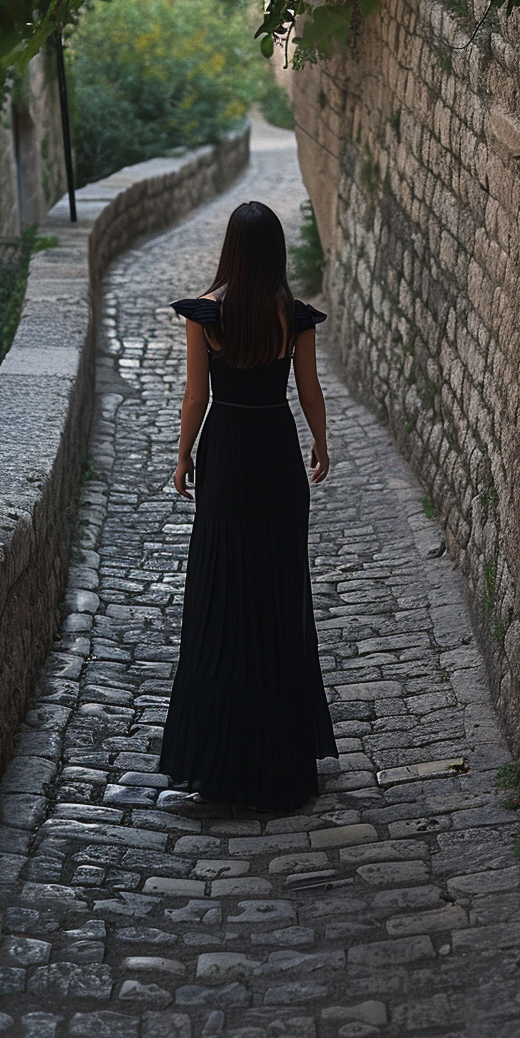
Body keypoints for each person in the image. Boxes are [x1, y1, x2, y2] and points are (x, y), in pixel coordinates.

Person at [159, 200, 338, 814]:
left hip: (229, 458)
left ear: (231, 249)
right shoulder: (293, 316)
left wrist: (182, 457)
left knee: (224, 599)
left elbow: (195, 397)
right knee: (278, 597)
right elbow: (309, 393)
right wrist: (320, 442)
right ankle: (284, 761)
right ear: (276, 252)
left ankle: (222, 766)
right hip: (278, 459)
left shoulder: (207, 314)